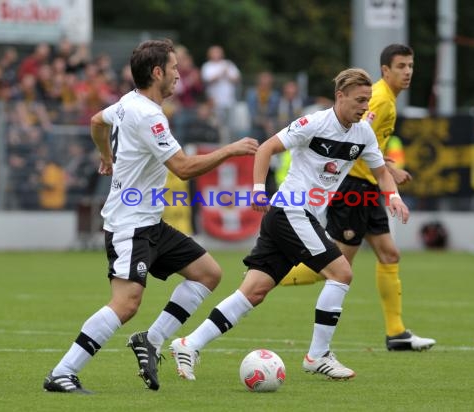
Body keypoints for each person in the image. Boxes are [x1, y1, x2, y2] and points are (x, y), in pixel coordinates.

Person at [42, 39, 259, 394]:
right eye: (174, 69)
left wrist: (106, 156)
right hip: (129, 226)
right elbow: (184, 168)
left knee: (208, 274)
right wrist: (231, 149)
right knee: (126, 303)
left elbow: (98, 121)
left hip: (149, 222)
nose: (178, 76)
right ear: (157, 72)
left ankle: (151, 340)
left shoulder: (129, 102)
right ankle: (62, 372)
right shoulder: (148, 115)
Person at [169, 68, 409, 381]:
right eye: (359, 100)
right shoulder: (314, 123)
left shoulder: (362, 133)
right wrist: (257, 190)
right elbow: (267, 147)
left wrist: (393, 196)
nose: (365, 106)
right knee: (341, 273)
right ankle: (318, 355)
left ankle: (189, 343)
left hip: (295, 217)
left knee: (253, 292)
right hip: (291, 212)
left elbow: (381, 172)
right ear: (340, 96)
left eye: (367, 100)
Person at [281, 44, 436, 352]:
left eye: (410, 65)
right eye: (401, 66)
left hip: (368, 188)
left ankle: (396, 333)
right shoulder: (378, 99)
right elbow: (352, 140)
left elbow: (366, 146)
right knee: (337, 265)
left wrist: (388, 170)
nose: (408, 72)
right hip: (354, 187)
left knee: (389, 254)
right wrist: (387, 173)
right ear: (385, 71)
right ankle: (273, 272)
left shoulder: (386, 99)